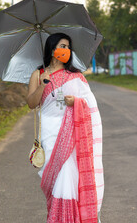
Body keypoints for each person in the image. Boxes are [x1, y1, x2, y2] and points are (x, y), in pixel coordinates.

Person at [27, 33, 104, 223]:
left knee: (68, 177)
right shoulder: (38, 74)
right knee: (56, 179)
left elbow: (90, 104)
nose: (66, 50)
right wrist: (42, 84)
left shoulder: (76, 76)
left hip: (72, 134)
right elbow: (31, 103)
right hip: (50, 134)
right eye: (62, 46)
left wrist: (76, 102)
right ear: (52, 50)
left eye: (69, 47)